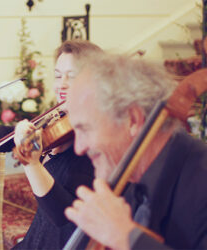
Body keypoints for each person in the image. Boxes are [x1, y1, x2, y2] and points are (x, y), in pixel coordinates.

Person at [0, 40, 101, 249]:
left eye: (71, 76)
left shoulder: (93, 140)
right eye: (58, 75)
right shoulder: (60, 119)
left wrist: (32, 165)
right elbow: (18, 132)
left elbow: (63, 214)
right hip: (35, 240)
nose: (61, 84)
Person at [64, 53, 207, 249]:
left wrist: (125, 237)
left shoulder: (201, 182)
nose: (78, 148)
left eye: (85, 129)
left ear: (132, 119)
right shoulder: (128, 182)